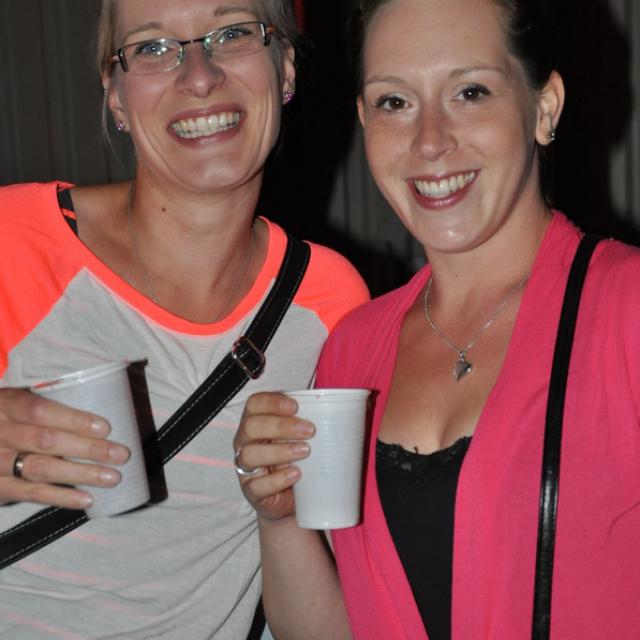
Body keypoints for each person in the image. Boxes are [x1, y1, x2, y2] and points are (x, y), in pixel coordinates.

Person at [234, 0, 640, 638]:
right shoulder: (353, 350)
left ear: (544, 106)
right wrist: (281, 518)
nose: (429, 140)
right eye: (394, 102)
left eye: (470, 92)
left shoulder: (624, 310)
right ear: (364, 119)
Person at [0, 0, 368, 638]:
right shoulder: (13, 243)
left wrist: (282, 516)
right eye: (151, 47)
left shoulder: (331, 303)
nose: (199, 76)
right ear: (115, 95)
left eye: (233, 33)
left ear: (285, 67)